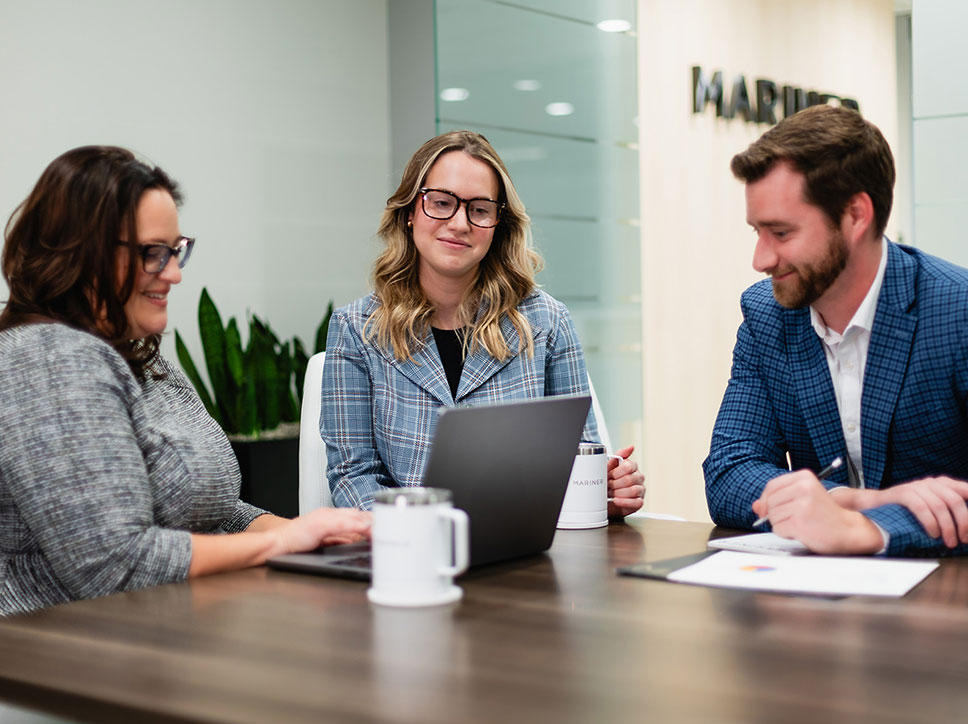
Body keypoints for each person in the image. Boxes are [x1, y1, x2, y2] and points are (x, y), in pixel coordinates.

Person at [0, 146, 370, 616]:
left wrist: (315, 533)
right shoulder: (48, 360)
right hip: (61, 644)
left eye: (176, 251)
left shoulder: (141, 358)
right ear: (82, 254)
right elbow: (115, 566)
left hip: (169, 621)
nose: (173, 273)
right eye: (153, 254)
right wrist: (286, 541)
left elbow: (212, 513)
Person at [322, 130, 645, 513]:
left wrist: (604, 488)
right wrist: (417, 531)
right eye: (441, 203)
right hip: (410, 550)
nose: (459, 223)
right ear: (410, 212)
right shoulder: (356, 330)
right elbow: (352, 475)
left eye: (479, 209)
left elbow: (580, 456)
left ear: (497, 224)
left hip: (526, 551)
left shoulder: (547, 322)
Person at [704, 104, 968, 556]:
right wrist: (849, 501)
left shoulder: (956, 310)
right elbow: (730, 472)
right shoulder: (766, 314)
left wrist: (870, 529)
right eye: (757, 232)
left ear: (855, 215)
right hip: (816, 607)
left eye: (781, 233)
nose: (761, 259)